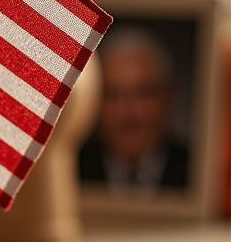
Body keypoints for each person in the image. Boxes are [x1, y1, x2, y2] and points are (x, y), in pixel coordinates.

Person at [79, 29, 189, 190]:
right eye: (113, 95)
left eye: (143, 94)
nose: (128, 111)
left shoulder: (195, 168)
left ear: (168, 98)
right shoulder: (75, 168)